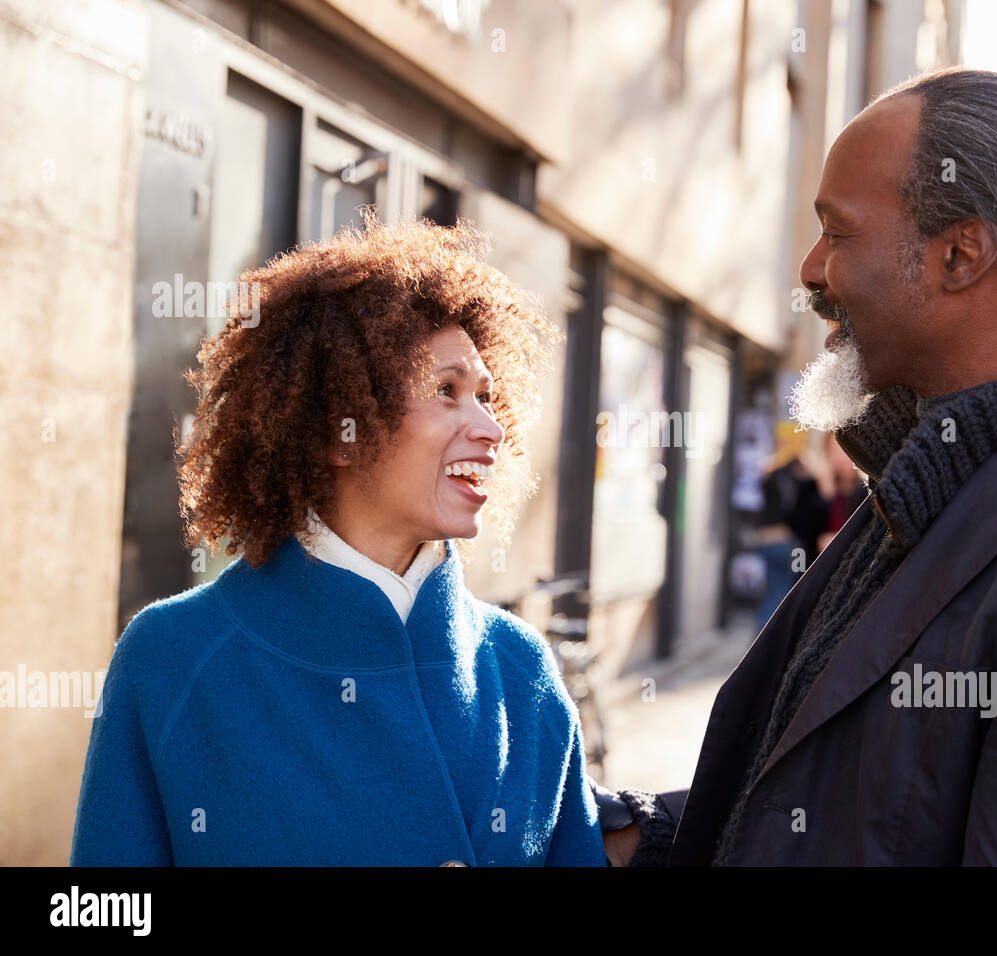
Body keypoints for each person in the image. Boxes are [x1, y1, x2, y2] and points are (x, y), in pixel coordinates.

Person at [601, 68, 997, 866]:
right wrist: (626, 834)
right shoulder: (936, 468)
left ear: (960, 253)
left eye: (839, 231)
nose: (811, 270)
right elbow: (832, 803)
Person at [71, 211, 606, 866]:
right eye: (446, 391)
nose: (489, 429)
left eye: (487, 398)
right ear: (337, 431)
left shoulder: (522, 669)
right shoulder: (173, 660)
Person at [754, 450, 828, 625]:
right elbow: (794, 514)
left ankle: (761, 638)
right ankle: (768, 638)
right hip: (785, 543)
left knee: (771, 592)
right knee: (784, 592)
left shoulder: (770, 480)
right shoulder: (792, 482)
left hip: (765, 541)